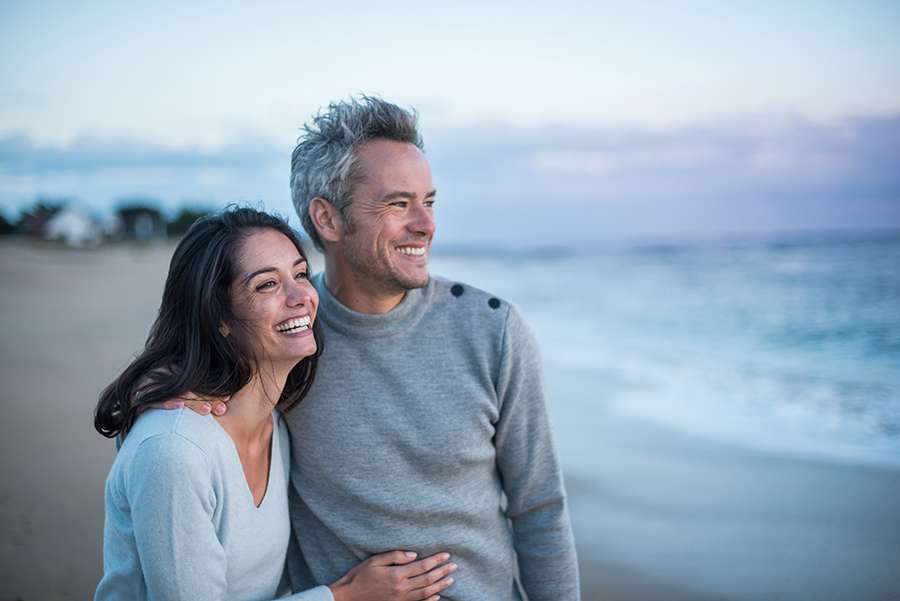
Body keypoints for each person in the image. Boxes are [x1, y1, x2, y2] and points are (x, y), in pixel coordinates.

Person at [93, 208, 456, 601]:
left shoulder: (277, 425)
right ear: (218, 316)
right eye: (267, 285)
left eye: (300, 274)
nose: (302, 296)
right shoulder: (175, 453)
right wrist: (345, 596)